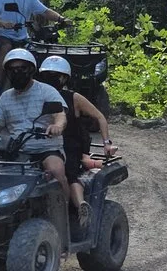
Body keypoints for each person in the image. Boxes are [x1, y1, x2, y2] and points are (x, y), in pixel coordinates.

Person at [0, 49, 70, 198]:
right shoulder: (5, 97)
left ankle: (66, 208)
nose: (17, 72)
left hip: (46, 149)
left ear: (31, 70)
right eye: (13, 69)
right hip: (16, 150)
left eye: (22, 68)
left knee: (56, 171)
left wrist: (57, 126)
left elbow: (60, 114)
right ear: (7, 72)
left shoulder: (47, 91)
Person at [38, 56, 118, 225]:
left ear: (64, 78)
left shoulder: (73, 98)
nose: (51, 79)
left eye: (56, 76)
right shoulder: (36, 95)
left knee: (68, 171)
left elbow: (100, 117)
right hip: (41, 144)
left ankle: (79, 205)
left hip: (70, 145)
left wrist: (106, 143)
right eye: (47, 75)